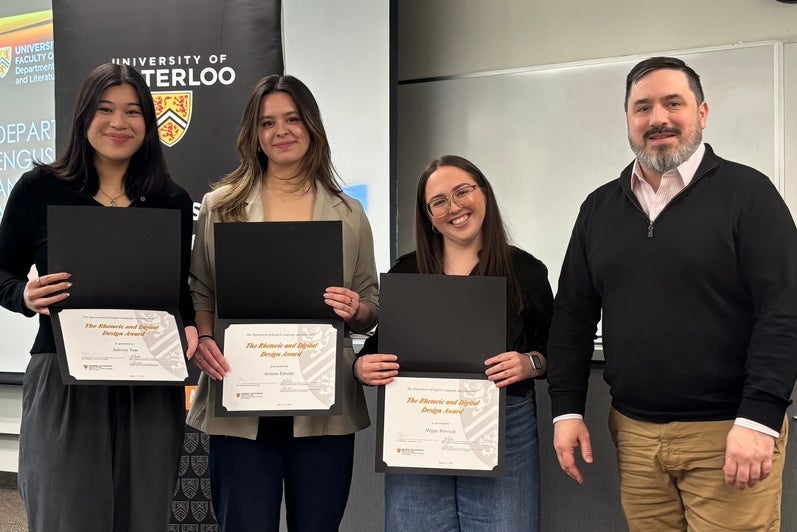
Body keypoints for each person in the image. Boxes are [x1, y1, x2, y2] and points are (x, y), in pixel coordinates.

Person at [547, 56, 797, 531]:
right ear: (628, 120)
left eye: (672, 103)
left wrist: (760, 419)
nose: (657, 118)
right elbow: (572, 319)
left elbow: (784, 311)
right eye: (642, 107)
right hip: (635, 436)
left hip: (728, 434)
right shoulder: (599, 208)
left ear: (701, 113)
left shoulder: (749, 194)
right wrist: (566, 410)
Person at [0, 63, 198, 531]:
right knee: (66, 515)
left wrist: (189, 325)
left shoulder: (170, 198)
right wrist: (24, 295)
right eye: (105, 109)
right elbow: (2, 272)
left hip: (149, 384)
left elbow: (177, 290)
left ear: (148, 124)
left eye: (133, 111)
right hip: (63, 378)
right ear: (84, 116)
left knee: (143, 516)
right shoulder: (39, 188)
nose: (118, 123)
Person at [185, 74, 379, 532]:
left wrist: (357, 309)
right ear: (254, 133)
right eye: (267, 122)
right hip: (241, 394)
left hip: (322, 404)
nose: (281, 131)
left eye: (292, 119)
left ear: (311, 127)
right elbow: (202, 288)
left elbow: (372, 302)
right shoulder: (220, 205)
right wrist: (206, 337)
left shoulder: (349, 213)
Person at [356, 155, 553, 532]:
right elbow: (376, 349)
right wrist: (361, 368)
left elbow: (555, 351)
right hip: (417, 426)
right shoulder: (406, 271)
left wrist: (530, 363)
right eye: (439, 201)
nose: (454, 207)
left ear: (484, 194)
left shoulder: (525, 270)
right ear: (428, 216)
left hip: (504, 426)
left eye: (463, 191)